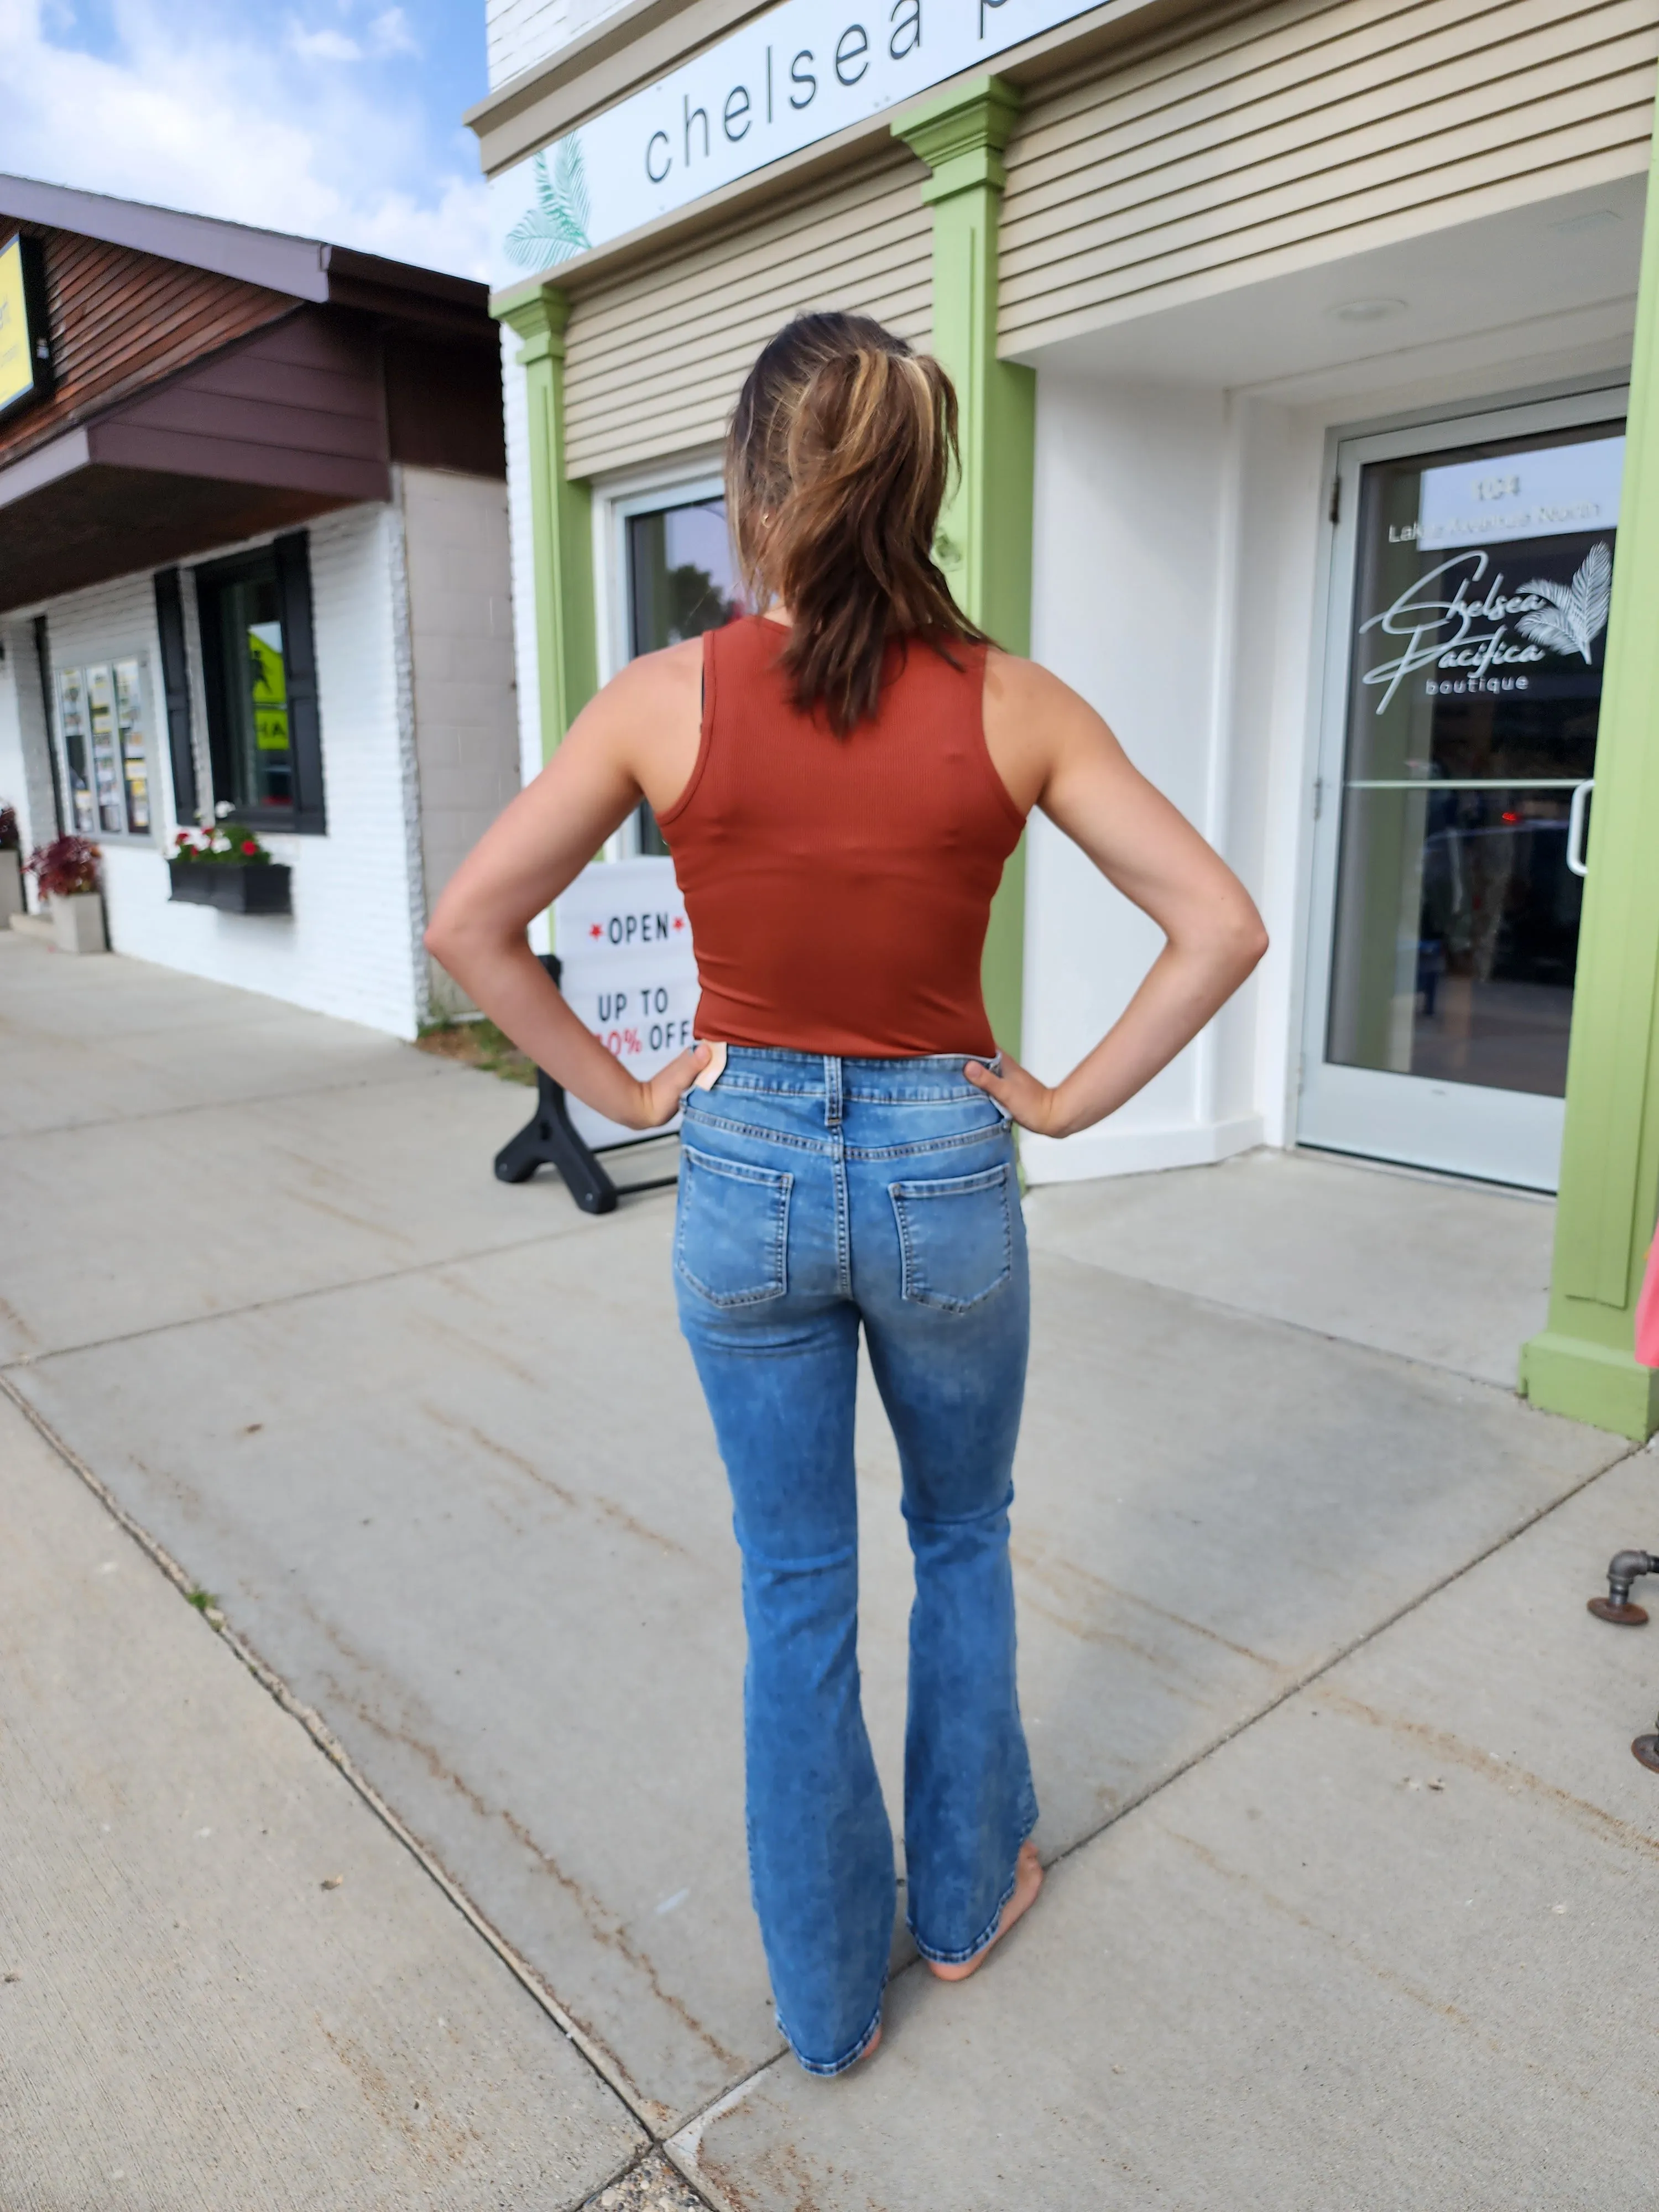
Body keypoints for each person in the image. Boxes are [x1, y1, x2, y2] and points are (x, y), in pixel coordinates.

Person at [425, 311, 1267, 2078]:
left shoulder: (670, 698)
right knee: (960, 1538)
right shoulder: (1015, 702)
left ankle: (824, 2007)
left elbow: (469, 928)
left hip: (740, 1171)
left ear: (755, 484)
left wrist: (636, 1090)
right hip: (948, 1164)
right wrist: (1055, 1101)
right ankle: (962, 1909)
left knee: (793, 1585)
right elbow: (1222, 924)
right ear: (921, 489)